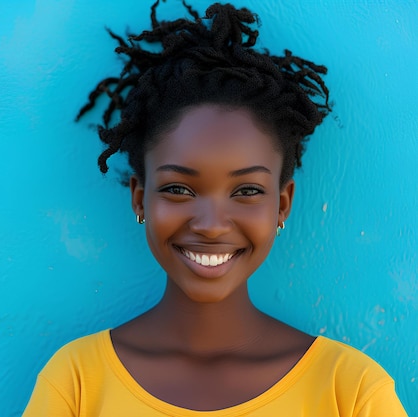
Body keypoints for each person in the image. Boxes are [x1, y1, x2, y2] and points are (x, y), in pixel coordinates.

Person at [22, 1, 409, 415]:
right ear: (140, 197)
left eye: (246, 191)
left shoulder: (349, 390)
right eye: (178, 188)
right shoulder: (76, 382)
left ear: (282, 205)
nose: (210, 224)